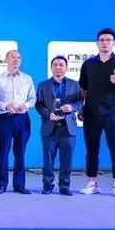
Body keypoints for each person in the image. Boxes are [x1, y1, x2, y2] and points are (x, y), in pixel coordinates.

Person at [78, 27, 115, 198]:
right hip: (91, 113)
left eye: (108, 40)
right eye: (102, 40)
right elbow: (83, 88)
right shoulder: (88, 64)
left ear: (114, 43)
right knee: (91, 149)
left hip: (114, 112)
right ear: (97, 43)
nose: (105, 43)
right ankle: (92, 183)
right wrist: (81, 107)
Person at [0, 49, 36, 194]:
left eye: (18, 57)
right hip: (5, 118)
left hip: (22, 119)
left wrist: (25, 106)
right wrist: (5, 105)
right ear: (6, 60)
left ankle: (19, 185)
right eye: (13, 57)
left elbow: (33, 98)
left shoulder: (27, 78)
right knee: (3, 152)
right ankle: (1, 185)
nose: (16, 60)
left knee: (20, 153)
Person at [36, 55, 83, 195]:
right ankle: (47, 186)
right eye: (55, 65)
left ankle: (64, 186)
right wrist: (48, 114)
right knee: (48, 159)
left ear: (66, 68)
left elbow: (80, 102)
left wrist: (72, 108)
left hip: (68, 128)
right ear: (51, 68)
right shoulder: (43, 85)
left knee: (66, 159)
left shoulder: (75, 84)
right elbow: (39, 105)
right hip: (49, 127)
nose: (58, 67)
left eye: (61, 65)